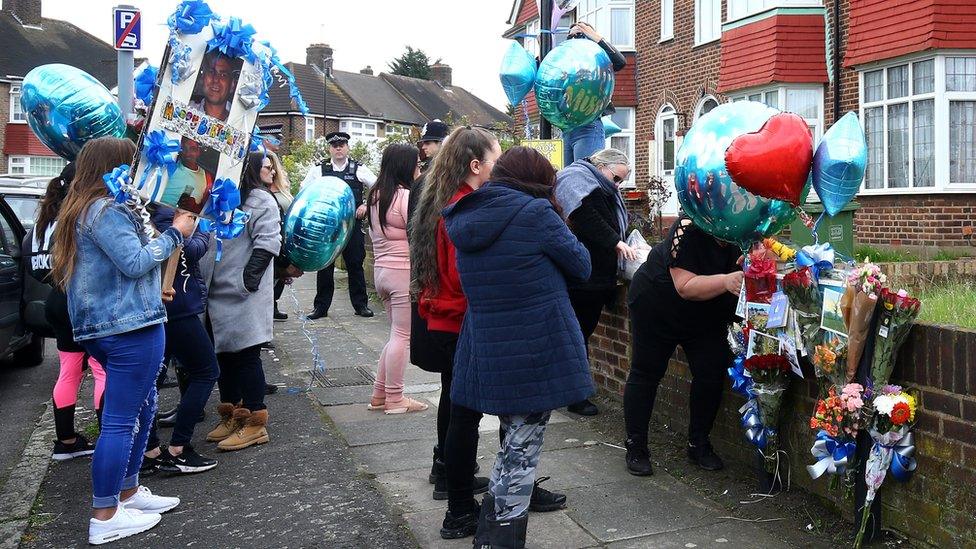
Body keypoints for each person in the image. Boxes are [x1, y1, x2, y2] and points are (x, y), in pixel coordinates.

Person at [443, 146, 593, 548]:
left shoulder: (467, 215)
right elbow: (582, 265)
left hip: (489, 347)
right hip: (535, 348)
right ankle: (496, 542)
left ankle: (492, 536)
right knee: (520, 454)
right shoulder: (537, 214)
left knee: (514, 446)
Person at [50, 137, 192, 545]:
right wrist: (176, 233)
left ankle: (126, 493)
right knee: (120, 421)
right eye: (132, 163)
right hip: (129, 328)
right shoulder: (106, 209)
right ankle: (105, 513)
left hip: (114, 326)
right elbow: (134, 262)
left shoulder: (85, 208)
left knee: (142, 407)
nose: (137, 171)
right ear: (113, 166)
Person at [410, 127, 497, 538]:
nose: (497, 169)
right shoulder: (463, 208)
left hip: (442, 318)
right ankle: (459, 509)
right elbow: (465, 277)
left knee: (455, 403)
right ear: (475, 165)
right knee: (465, 416)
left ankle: (447, 474)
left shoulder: (441, 200)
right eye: (495, 160)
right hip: (459, 321)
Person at [623, 217, 743, 476]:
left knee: (711, 372)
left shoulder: (743, 227)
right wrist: (726, 281)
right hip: (658, 305)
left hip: (705, 313)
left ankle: (698, 444)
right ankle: (636, 446)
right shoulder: (689, 226)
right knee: (646, 373)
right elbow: (685, 286)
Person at [27, 163, 107, 460]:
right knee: (101, 369)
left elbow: (36, 265)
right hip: (81, 299)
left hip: (56, 300)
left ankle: (66, 441)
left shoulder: (44, 218)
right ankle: (107, 437)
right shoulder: (78, 214)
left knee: (69, 371)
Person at [204, 152, 281, 452]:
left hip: (242, 293)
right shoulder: (219, 194)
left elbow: (268, 241)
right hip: (217, 289)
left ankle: (255, 420)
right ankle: (233, 414)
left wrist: (247, 281)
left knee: (247, 355)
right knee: (223, 355)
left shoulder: (260, 199)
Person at [554, 149, 638, 417]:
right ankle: (576, 396)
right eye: (616, 178)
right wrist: (616, 241)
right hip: (582, 277)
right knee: (578, 335)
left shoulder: (597, 184)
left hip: (596, 275)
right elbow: (585, 218)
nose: (617, 186)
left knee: (580, 334)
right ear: (601, 166)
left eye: (621, 181)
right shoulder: (578, 179)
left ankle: (568, 391)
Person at [139, 205, 219, 474]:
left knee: (153, 381)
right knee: (207, 371)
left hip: (166, 307)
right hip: (176, 307)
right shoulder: (167, 210)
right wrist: (205, 230)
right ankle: (178, 449)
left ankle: (150, 450)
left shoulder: (153, 208)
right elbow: (189, 250)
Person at [366, 143, 427, 414]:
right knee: (404, 336)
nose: (418, 169)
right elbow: (417, 235)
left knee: (395, 335)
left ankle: (380, 394)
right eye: (416, 164)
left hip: (381, 271)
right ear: (405, 166)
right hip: (402, 272)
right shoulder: (404, 197)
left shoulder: (375, 195)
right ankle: (395, 399)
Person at [302, 132, 377, 320]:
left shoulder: (358, 168)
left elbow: (379, 187)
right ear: (329, 148)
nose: (338, 148)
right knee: (325, 265)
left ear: (347, 147)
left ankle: (361, 305)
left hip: (351, 225)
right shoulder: (319, 169)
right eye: (334, 145)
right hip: (327, 226)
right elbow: (305, 190)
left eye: (342, 144)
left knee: (355, 264)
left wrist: (366, 204)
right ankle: (321, 307)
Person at [561, 21, 627, 165]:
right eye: (570, 36)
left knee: (586, 175)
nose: (574, 39)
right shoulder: (566, 61)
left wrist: (596, 38)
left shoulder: (597, 59)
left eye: (580, 35)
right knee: (569, 178)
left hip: (589, 125)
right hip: (567, 128)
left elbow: (620, 62)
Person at [265, 151, 301, 322]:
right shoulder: (262, 192)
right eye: (267, 167)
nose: (271, 171)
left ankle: (273, 305)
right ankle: (268, 309)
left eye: (272, 168)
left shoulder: (282, 188)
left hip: (286, 240)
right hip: (271, 237)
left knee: (279, 278)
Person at [161, 137, 213, 212]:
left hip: (184, 217)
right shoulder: (169, 163)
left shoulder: (207, 177)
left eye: (192, 149)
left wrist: (193, 206)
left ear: (199, 152)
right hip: (160, 210)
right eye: (184, 149)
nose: (188, 153)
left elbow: (205, 209)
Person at [190, 52, 237, 121]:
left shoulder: (240, 123)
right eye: (211, 72)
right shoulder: (187, 107)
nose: (215, 79)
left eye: (223, 75)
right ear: (202, 78)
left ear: (232, 85)